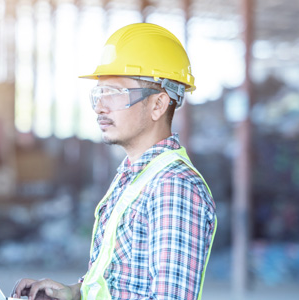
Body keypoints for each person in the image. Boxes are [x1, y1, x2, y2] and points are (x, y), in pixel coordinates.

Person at [12, 23, 217, 300]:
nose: (100, 107)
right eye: (99, 93)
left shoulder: (173, 187)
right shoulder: (133, 176)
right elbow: (121, 281)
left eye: (115, 93)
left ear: (158, 105)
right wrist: (73, 292)